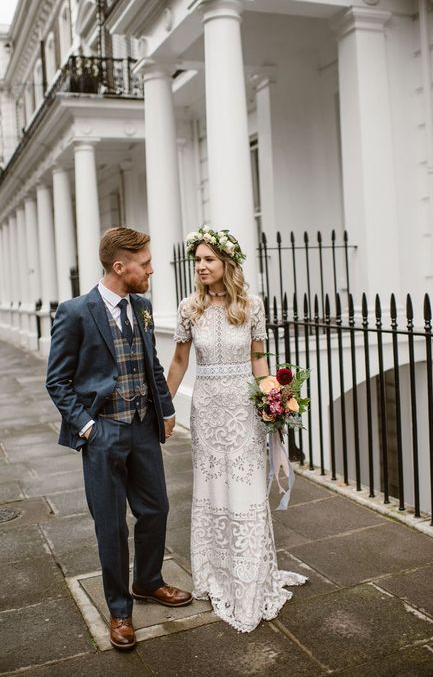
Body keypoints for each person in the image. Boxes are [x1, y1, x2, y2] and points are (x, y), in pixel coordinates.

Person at [46, 227, 192, 651]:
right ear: (119, 266)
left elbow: (151, 362)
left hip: (143, 427)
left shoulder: (142, 306)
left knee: (156, 510)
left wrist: (165, 409)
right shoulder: (75, 312)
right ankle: (119, 610)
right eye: (145, 264)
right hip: (103, 432)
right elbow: (57, 381)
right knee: (111, 526)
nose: (151, 270)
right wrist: (87, 427)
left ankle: (148, 581)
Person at [167, 226, 307, 633]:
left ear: (227, 263)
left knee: (245, 487)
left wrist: (272, 404)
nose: (201, 267)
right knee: (212, 487)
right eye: (197, 261)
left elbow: (259, 361)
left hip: (243, 411)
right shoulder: (188, 307)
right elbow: (178, 362)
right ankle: (215, 574)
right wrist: (164, 405)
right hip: (208, 409)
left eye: (208, 259)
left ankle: (250, 580)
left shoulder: (251, 306)